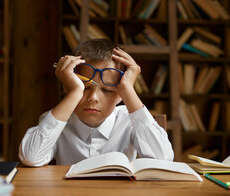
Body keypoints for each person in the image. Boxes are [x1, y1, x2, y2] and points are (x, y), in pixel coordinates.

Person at [19, 38, 174, 166]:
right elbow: (30, 158)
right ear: (68, 87)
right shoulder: (57, 119)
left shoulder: (129, 121)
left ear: (121, 94)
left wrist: (128, 90)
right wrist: (74, 92)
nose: (93, 97)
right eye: (84, 88)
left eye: (107, 90)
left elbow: (163, 159)